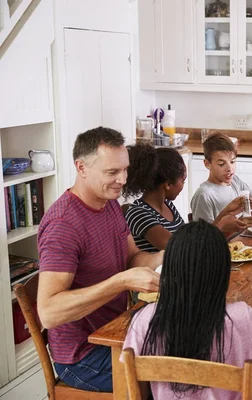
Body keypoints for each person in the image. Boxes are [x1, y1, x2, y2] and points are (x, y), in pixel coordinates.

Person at [121, 220, 252, 399]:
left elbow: (140, 391)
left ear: (169, 269)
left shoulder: (144, 319)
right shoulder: (240, 317)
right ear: (223, 271)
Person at [37, 127, 163, 392]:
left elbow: (132, 259)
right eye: (112, 172)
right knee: (178, 377)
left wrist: (167, 256)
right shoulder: (64, 225)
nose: (123, 179)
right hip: (82, 356)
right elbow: (48, 313)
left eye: (125, 170)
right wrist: (120, 282)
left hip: (117, 331)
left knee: (192, 349)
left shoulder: (109, 204)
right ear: (81, 167)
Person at [191, 133, 252, 223]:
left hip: (241, 236)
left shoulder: (235, 181)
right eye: (221, 164)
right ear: (207, 164)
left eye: (232, 162)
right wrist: (236, 218)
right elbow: (203, 236)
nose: (229, 169)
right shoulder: (204, 195)